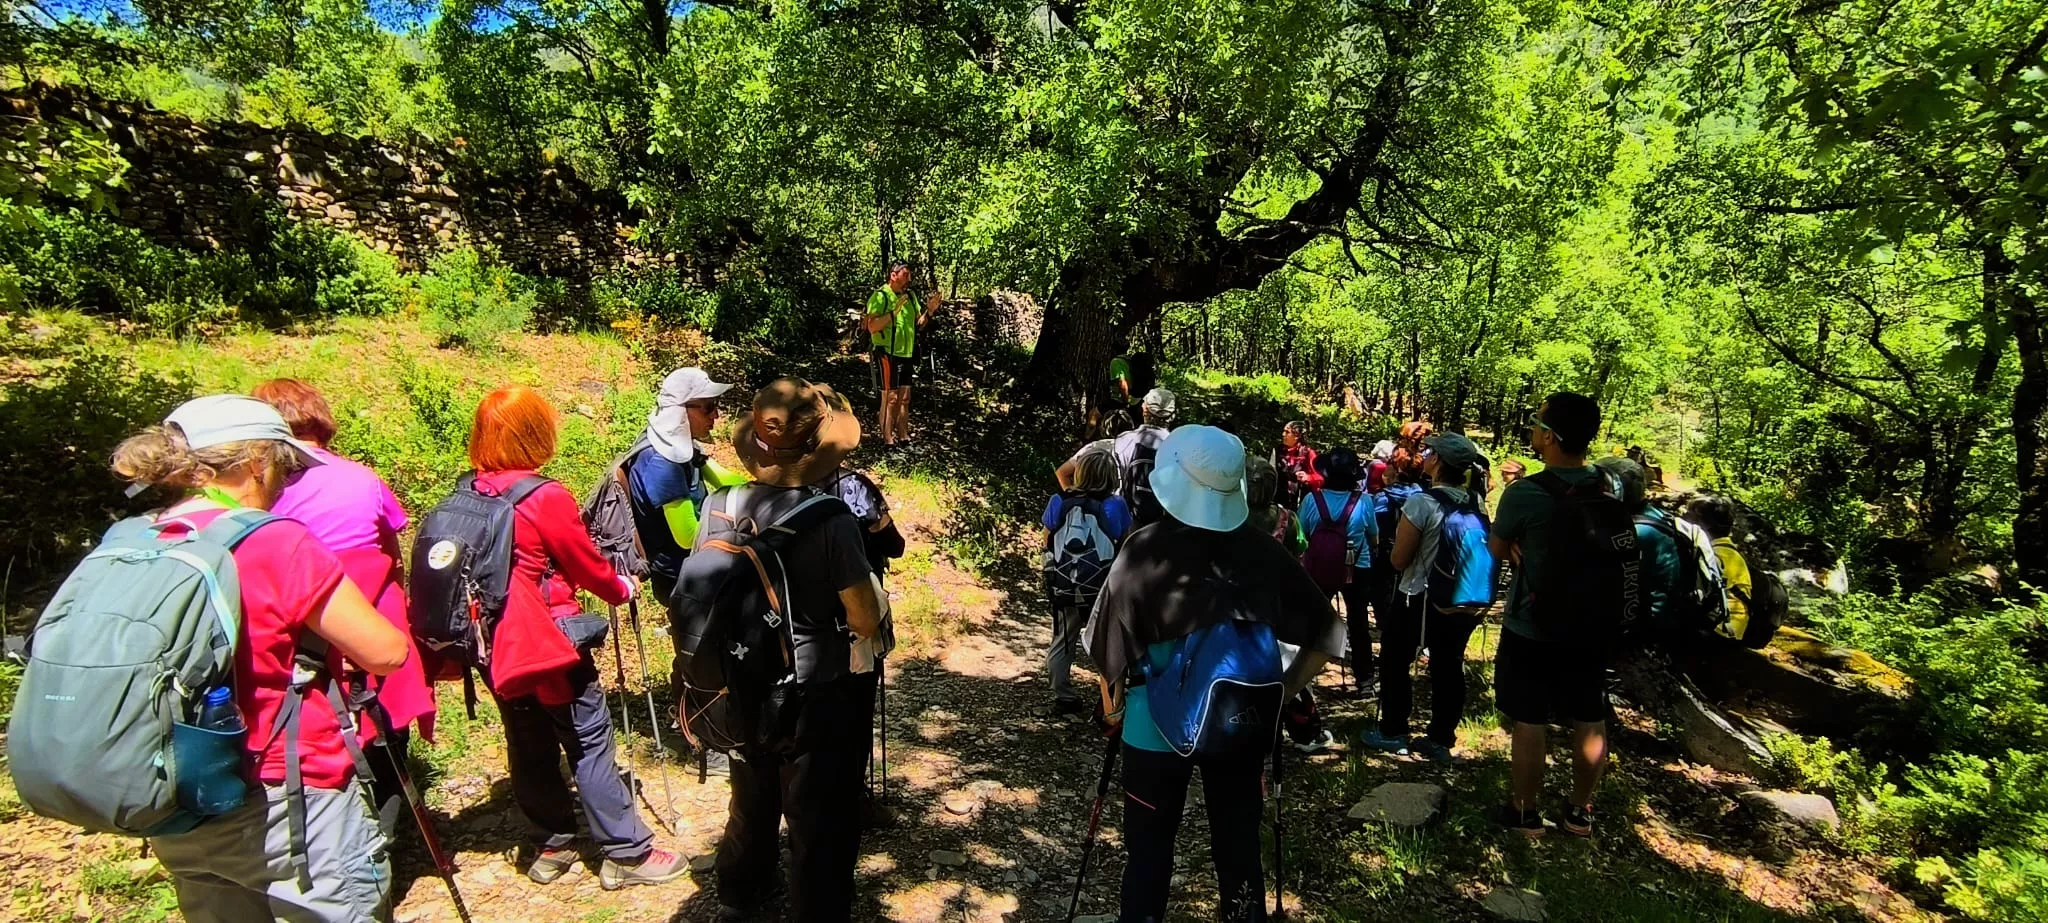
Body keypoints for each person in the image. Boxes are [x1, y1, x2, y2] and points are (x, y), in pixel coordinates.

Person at [117, 395, 410, 922]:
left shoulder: (144, 536)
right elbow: (385, 653)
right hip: (286, 795)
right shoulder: (274, 542)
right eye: (284, 462)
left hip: (178, 791)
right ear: (257, 461)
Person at [1085, 425, 1343, 923]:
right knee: (1238, 847)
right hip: (1242, 722)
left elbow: (1106, 652)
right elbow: (1327, 637)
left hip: (1151, 727)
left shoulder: (1143, 550)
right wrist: (1283, 695)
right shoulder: (1265, 552)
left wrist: (1113, 708)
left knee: (1149, 850)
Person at [466, 385, 685, 889]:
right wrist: (622, 585)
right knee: (587, 739)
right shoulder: (542, 496)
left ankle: (552, 843)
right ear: (534, 434)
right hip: (547, 640)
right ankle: (626, 852)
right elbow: (586, 565)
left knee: (527, 740)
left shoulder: (469, 492)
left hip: (493, 641)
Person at [709, 378, 884, 923]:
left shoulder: (720, 505)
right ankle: (817, 908)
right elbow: (862, 616)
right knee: (820, 814)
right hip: (816, 692)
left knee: (751, 790)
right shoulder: (829, 520)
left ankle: (742, 887)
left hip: (741, 677)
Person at [251, 378, 435, 828]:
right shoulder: (362, 479)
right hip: (377, 621)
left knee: (319, 738)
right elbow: (392, 556)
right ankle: (388, 831)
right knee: (386, 731)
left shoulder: (262, 497)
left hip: (300, 635)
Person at [1488, 392, 1614, 838]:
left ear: (1551, 436)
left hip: (1533, 623)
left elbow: (1498, 548)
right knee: (1588, 712)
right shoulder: (1606, 486)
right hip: (1593, 622)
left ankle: (1524, 812)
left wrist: (1519, 545)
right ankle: (1580, 812)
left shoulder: (1525, 493)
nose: (1533, 429)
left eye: (1538, 423)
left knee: (1530, 716)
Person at [1364, 433, 1491, 760]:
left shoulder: (1422, 502)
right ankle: (1439, 738)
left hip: (1416, 597)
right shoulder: (1476, 502)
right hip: (1461, 597)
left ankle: (1393, 730)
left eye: (1429, 451)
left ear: (1437, 460)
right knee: (1449, 666)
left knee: (1394, 661)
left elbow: (1398, 560)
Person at [630, 367, 745, 604]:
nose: (716, 415)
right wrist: (739, 529)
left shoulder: (679, 445)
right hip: (682, 577)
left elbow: (723, 479)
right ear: (680, 411)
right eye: (708, 407)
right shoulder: (662, 462)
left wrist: (769, 488)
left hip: (695, 562)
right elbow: (687, 535)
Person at [1040, 449, 1133, 716]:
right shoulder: (1116, 506)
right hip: (1103, 587)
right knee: (1108, 642)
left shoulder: (1059, 500)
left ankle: (1063, 696)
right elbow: (1125, 543)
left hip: (1066, 583)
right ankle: (1110, 703)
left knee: (1063, 639)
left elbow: (1046, 538)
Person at [1296, 447, 1379, 696]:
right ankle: (1365, 679)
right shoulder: (1364, 502)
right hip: (1357, 567)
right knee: (1358, 622)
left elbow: (1302, 535)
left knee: (1314, 620)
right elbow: (1373, 537)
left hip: (1319, 566)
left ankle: (1300, 677)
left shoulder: (1313, 500)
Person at [1597, 457, 1693, 642]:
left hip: (1651, 626)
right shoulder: (1653, 515)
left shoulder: (1638, 533)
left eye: (1601, 485)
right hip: (1663, 614)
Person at [864, 261, 943, 447]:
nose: (910, 278)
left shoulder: (910, 296)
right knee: (890, 397)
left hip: (906, 353)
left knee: (905, 397)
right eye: (906, 274)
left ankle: (904, 437)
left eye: (910, 275)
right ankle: (888, 440)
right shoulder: (880, 296)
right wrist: (894, 312)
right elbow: (872, 327)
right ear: (894, 275)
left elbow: (919, 324)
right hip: (887, 353)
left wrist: (930, 311)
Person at [1684, 494, 1751, 642]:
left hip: (1716, 632)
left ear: (1704, 524)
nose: (1685, 520)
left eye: (1690, 517)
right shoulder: (1731, 552)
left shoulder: (1710, 555)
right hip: (1735, 630)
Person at [1112, 388, 1177, 525]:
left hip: (1127, 521)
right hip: (1163, 524)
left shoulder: (1123, 441)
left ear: (1145, 410)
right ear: (1172, 415)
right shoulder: (1179, 447)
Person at [1056, 409, 1135, 492]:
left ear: (1104, 427)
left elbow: (1062, 472)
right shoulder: (1136, 448)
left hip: (1095, 500)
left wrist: (1072, 497)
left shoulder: (1093, 447)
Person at [1274, 421, 1323, 512]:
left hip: (1300, 504)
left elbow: (1321, 478)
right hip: (1279, 503)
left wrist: (1308, 478)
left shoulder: (1308, 453)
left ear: (1296, 435)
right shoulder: (1277, 451)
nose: (1283, 434)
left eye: (1287, 432)